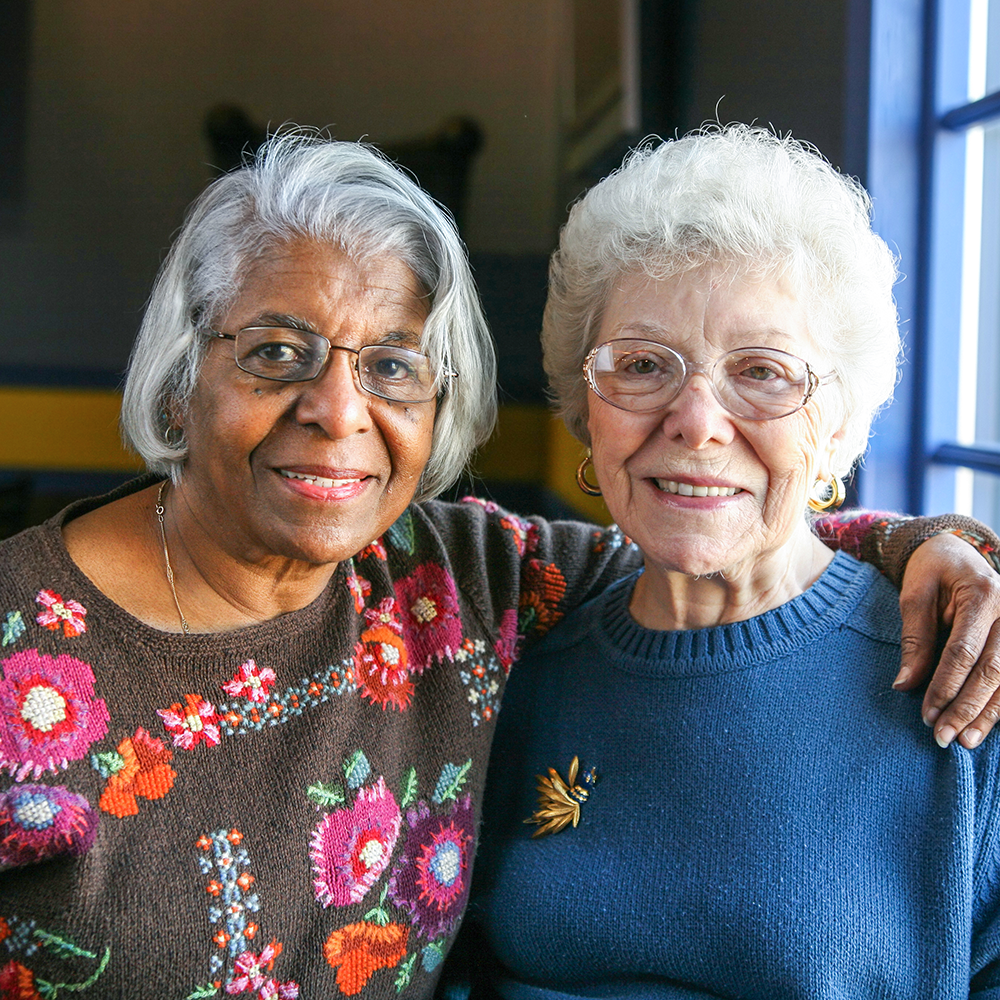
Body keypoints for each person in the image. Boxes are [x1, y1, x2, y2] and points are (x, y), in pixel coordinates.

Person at [0, 133, 995, 1000]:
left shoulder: (468, 585)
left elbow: (739, 552)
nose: (338, 410)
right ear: (180, 385)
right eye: (274, 352)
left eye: (392, 365)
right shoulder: (494, 609)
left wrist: (935, 544)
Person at [457, 126, 1000, 998]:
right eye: (642, 364)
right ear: (587, 413)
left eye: (763, 372)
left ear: (838, 429)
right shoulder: (518, 674)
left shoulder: (967, 679)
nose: (697, 420)